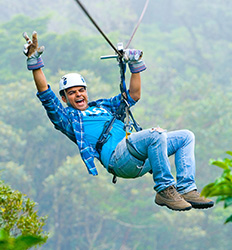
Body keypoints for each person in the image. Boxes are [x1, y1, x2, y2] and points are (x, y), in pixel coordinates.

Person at [23, 31, 214, 211]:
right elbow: (46, 96)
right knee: (156, 135)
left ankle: (187, 189)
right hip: (118, 158)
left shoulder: (104, 107)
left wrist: (135, 64)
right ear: (64, 99)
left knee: (186, 137)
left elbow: (133, 95)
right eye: (72, 93)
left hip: (138, 155)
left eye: (81, 90)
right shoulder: (68, 119)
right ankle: (165, 189)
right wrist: (34, 61)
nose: (78, 94)